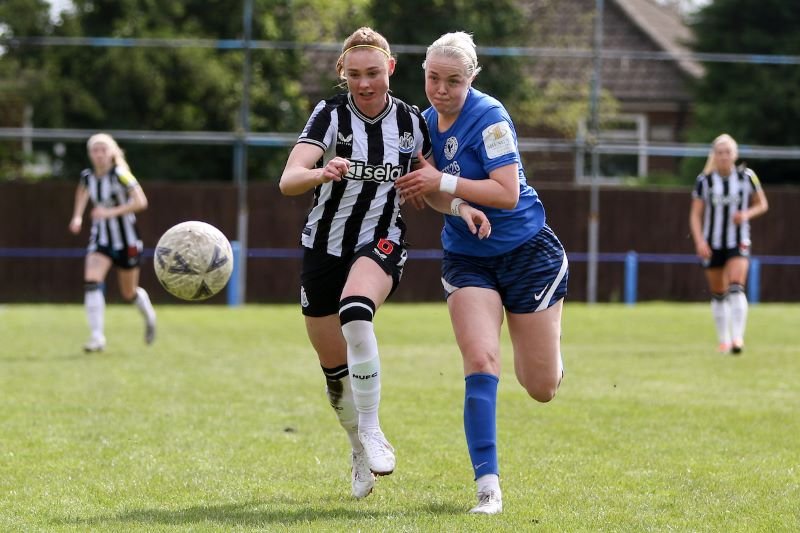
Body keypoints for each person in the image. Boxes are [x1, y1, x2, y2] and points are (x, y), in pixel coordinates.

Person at [278, 27, 489, 500]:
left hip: (382, 240)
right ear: (342, 74)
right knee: (334, 371)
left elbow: (428, 187)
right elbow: (289, 180)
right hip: (323, 247)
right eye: (354, 74)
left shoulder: (414, 123)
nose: (365, 83)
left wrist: (462, 207)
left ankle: (372, 429)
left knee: (356, 310)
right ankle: (357, 448)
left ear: (390, 69)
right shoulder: (329, 115)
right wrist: (321, 170)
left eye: (373, 72)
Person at [395, 32, 568, 515]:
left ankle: (552, 357)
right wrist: (458, 207)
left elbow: (508, 192)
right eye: (432, 78)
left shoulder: (490, 117)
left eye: (453, 80)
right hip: (468, 257)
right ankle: (487, 487)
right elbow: (431, 193)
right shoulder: (423, 124)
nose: (441, 89)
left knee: (540, 386)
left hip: (527, 251)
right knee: (481, 360)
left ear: (471, 78)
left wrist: (442, 182)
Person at [69, 133, 157, 353]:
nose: (98, 155)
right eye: (94, 150)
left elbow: (141, 201)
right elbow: (81, 193)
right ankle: (97, 337)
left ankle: (149, 316)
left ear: (111, 153)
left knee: (128, 293)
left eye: (103, 150)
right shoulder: (87, 177)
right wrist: (77, 216)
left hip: (127, 240)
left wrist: (109, 212)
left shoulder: (121, 175)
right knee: (91, 280)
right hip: (101, 240)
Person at [689, 133, 768, 355]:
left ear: (734, 154)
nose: (723, 157)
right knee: (718, 292)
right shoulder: (704, 181)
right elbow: (695, 215)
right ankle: (723, 340)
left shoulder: (747, 177)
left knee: (736, 286)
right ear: (714, 155)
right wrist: (699, 241)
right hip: (712, 243)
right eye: (719, 152)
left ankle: (737, 339)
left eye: (727, 152)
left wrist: (746, 214)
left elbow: (762, 204)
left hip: (738, 240)